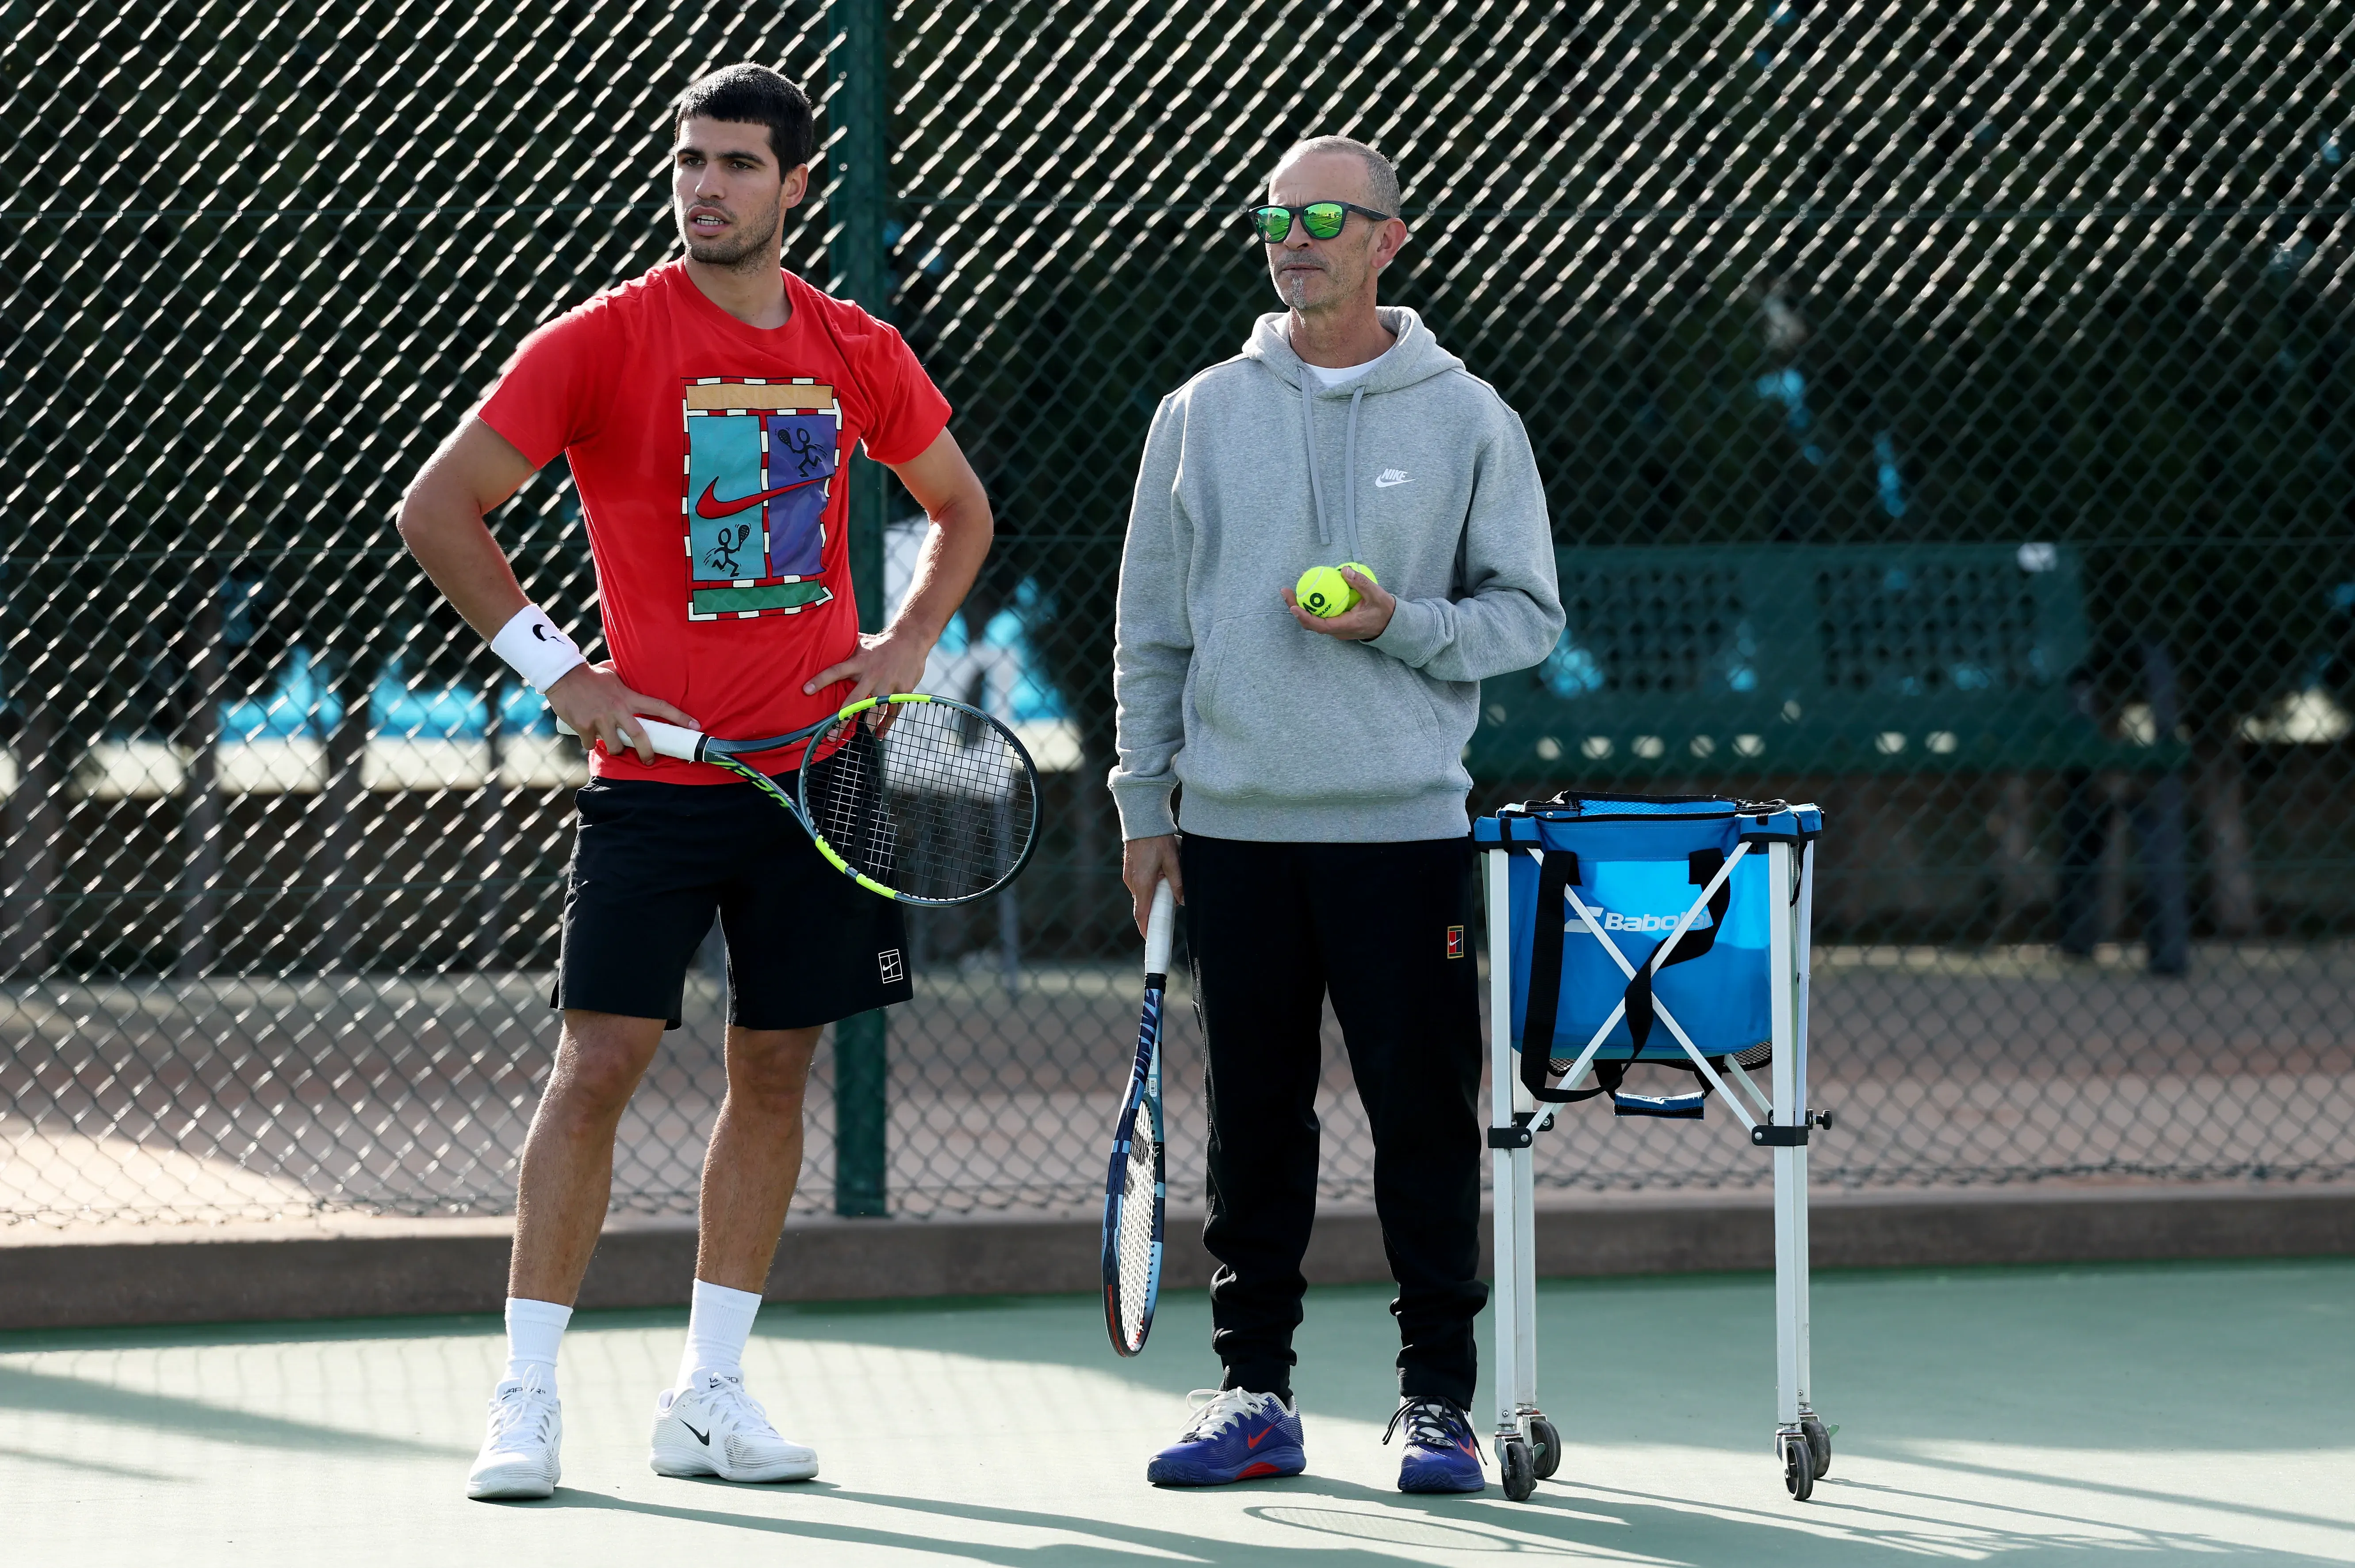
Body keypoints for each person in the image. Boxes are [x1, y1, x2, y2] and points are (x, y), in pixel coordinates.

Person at [397, 63, 990, 1501]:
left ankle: (707, 1394)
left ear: (796, 187)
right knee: (597, 1063)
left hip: (817, 773)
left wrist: (902, 645)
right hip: (655, 783)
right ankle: (526, 1396)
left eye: (735, 165)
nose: (705, 187)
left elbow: (959, 507)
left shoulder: (855, 348)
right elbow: (439, 508)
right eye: (689, 162)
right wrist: (568, 677)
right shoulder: (599, 343)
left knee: (775, 1065)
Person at [1110, 135, 1564, 1494]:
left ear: (1387, 240)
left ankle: (1437, 1406)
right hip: (1235, 834)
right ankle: (1255, 1395)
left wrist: (1399, 626)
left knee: (1422, 1118)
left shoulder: (1468, 416)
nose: (1291, 236)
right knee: (1254, 1124)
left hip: (1401, 833)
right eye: (1273, 215)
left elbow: (1525, 617)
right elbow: (1148, 634)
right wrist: (1145, 805)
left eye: (1322, 215)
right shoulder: (1197, 412)